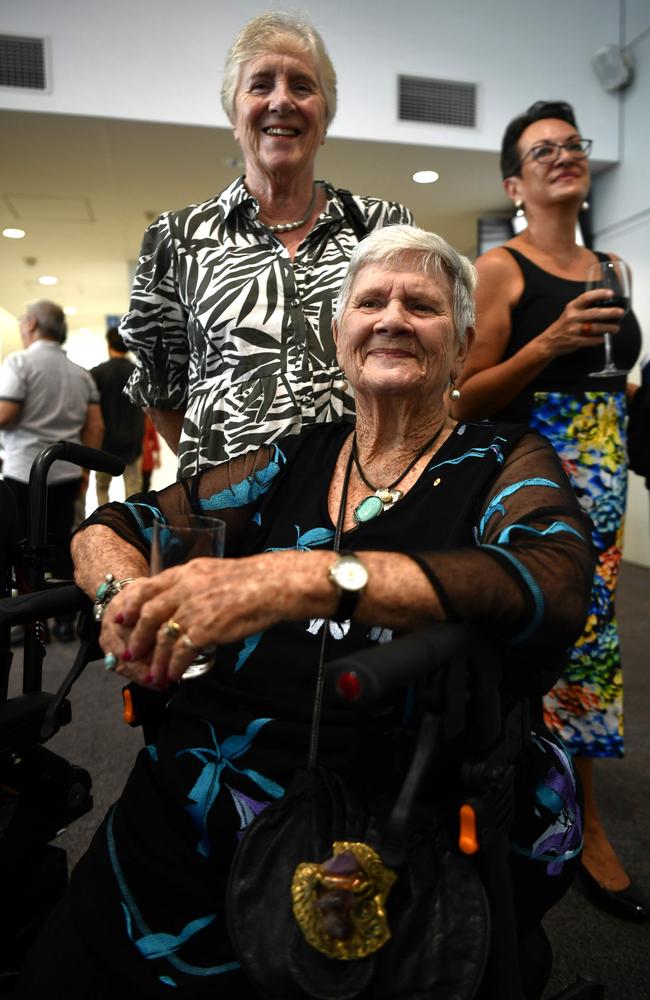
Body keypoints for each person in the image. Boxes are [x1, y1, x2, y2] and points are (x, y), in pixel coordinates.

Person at [17, 226, 595, 999]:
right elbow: (113, 525)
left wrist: (308, 576)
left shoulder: (501, 460)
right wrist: (128, 598)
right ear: (340, 335)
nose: (391, 317)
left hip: (376, 829)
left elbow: (551, 581)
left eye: (420, 305)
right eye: (370, 301)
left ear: (460, 347)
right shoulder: (298, 457)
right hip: (181, 803)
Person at [454, 100, 647, 921]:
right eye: (543, 150)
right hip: (533, 470)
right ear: (515, 181)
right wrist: (548, 343)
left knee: (593, 644)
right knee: (533, 633)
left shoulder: (615, 267)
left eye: (573, 145)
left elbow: (611, 377)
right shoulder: (500, 269)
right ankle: (504, 800)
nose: (563, 156)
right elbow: (462, 397)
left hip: (605, 466)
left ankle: (582, 817)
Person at [119, 10, 413, 479]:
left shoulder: (383, 228)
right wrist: (219, 481)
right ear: (235, 115)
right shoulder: (177, 237)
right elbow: (160, 390)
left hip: (363, 503)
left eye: (302, 85)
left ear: (325, 115)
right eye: (260, 85)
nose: (282, 101)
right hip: (230, 515)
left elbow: (418, 368)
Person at [0, 300, 103, 642]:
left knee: (17, 549)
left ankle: (23, 621)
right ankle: (60, 620)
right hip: (65, 471)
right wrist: (85, 472)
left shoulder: (19, 363)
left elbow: (7, 413)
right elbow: (96, 427)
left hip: (22, 472)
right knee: (59, 546)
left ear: (30, 324)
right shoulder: (80, 372)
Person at [91, 328, 145, 504]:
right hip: (133, 443)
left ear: (108, 345)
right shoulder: (139, 373)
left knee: (101, 488)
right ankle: (132, 528)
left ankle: (104, 524)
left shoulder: (97, 373)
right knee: (133, 492)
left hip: (104, 444)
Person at [140, 414, 161, 493]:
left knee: (146, 483)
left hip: (147, 457)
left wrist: (158, 457)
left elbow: (155, 439)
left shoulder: (148, 420)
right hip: (134, 457)